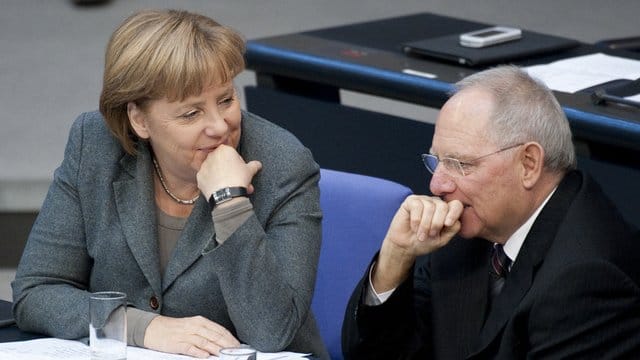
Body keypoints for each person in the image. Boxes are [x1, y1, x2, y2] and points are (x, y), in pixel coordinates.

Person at [12, 9, 329, 359]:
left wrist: (230, 203)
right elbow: (37, 291)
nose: (220, 127)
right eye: (191, 113)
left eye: (226, 99)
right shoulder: (95, 146)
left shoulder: (283, 163)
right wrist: (143, 327)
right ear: (139, 120)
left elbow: (272, 332)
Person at [342, 65, 640, 359]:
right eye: (437, 161)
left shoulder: (588, 277)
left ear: (529, 164)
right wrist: (396, 256)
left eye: (461, 164)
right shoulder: (469, 227)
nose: (437, 184)